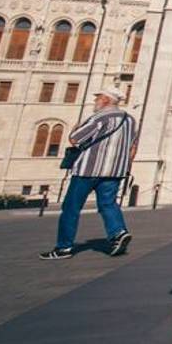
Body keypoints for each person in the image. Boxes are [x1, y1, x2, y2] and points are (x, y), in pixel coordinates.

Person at [40, 88, 137, 260]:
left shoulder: (99, 118)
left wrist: (76, 128)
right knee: (108, 204)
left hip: (88, 169)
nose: (95, 101)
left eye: (98, 98)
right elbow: (132, 147)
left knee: (71, 207)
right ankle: (118, 232)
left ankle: (64, 247)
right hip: (115, 171)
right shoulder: (130, 120)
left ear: (106, 100)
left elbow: (75, 139)